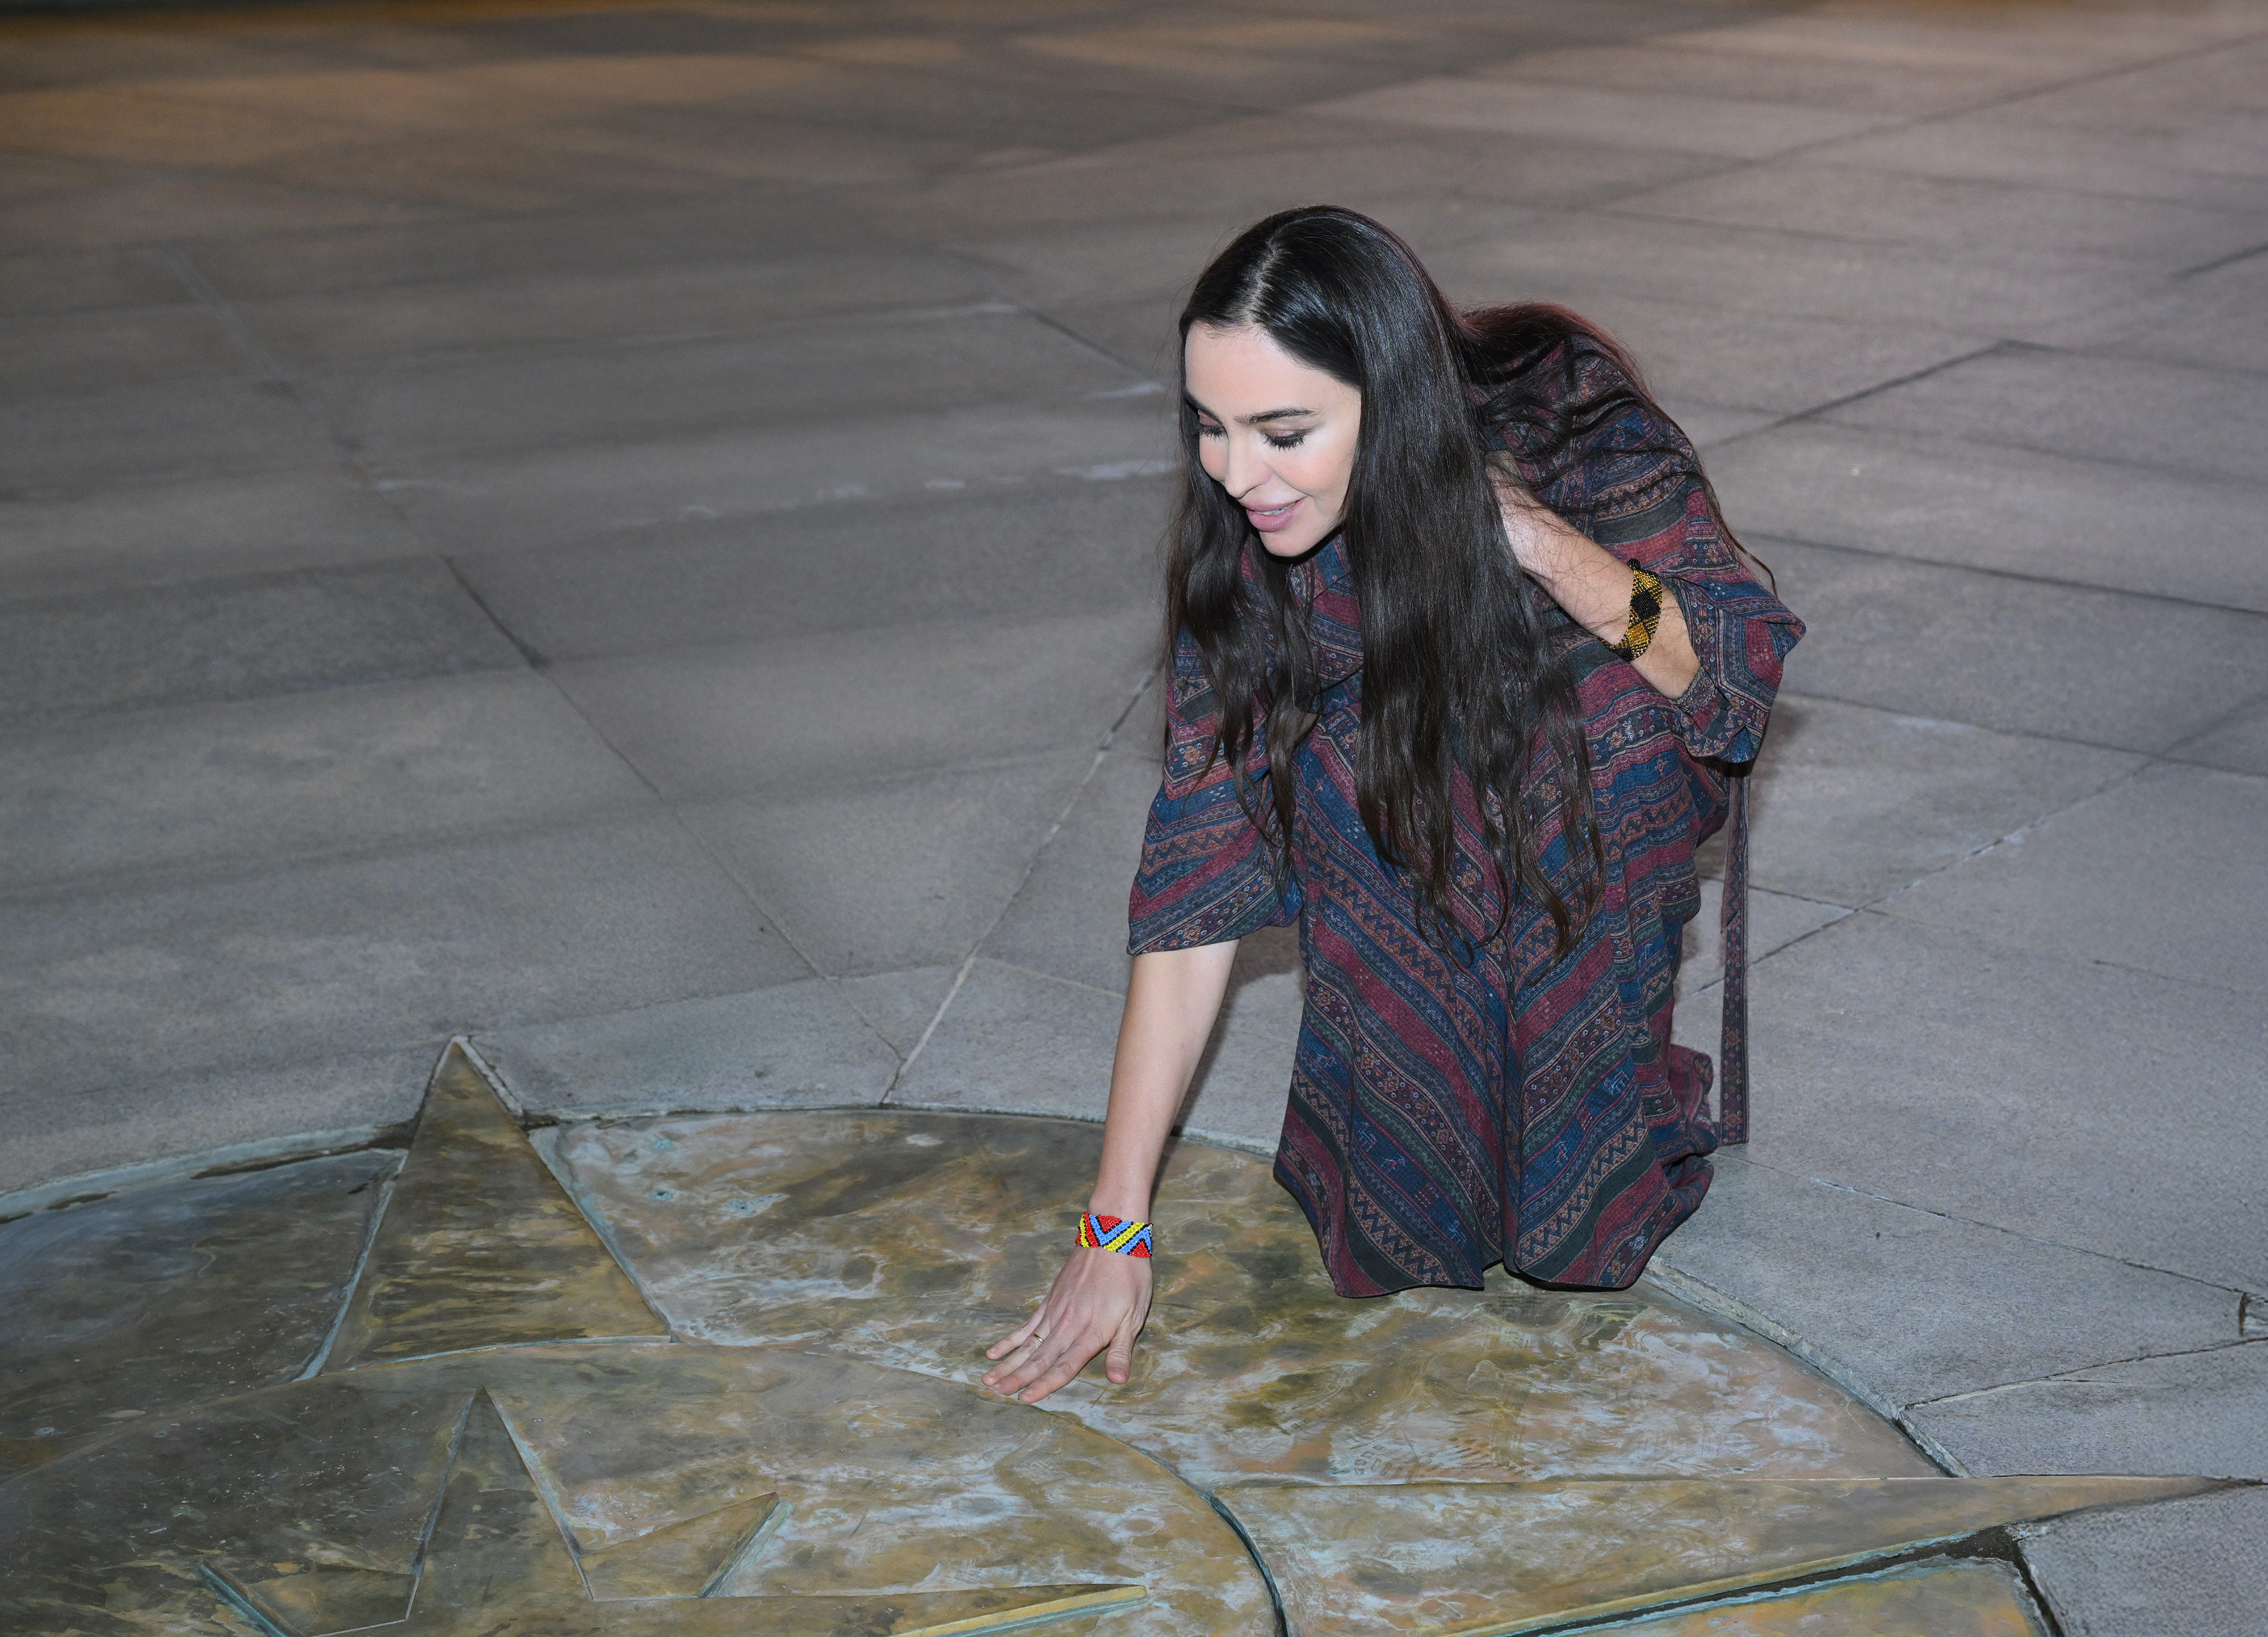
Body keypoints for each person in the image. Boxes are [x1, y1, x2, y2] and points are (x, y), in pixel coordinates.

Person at [983, 206, 1803, 1405]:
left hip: (1581, 830)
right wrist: (1115, 1227)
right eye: (1208, 427)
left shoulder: (1563, 413)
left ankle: (1585, 1071)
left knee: (1594, 717)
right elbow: (1195, 886)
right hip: (1406, 888)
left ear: (1393, 399)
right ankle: (1428, 1073)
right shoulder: (1250, 556)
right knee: (1346, 759)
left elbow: (1726, 678)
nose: (1237, 475)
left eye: (1283, 433)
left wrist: (1525, 531)